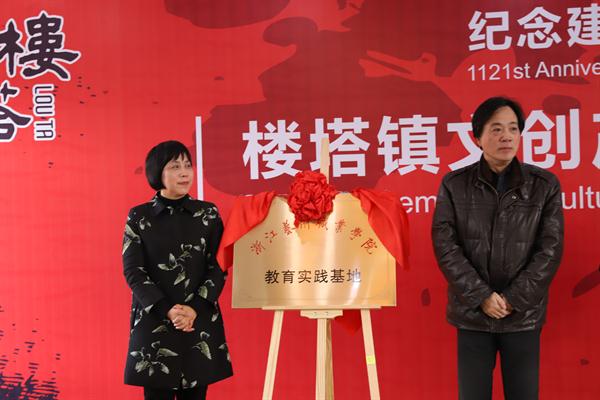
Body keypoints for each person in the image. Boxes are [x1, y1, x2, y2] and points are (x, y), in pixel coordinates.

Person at [431, 97, 563, 400]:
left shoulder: (544, 185)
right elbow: (445, 245)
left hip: (523, 314)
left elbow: (550, 248)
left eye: (513, 129)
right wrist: (481, 296)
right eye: (496, 129)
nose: (506, 136)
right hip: (472, 314)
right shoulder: (454, 184)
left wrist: (514, 299)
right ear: (477, 137)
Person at [122, 140, 232, 400]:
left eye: (187, 165)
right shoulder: (139, 216)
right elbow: (134, 271)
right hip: (154, 321)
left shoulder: (207, 214)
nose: (184, 173)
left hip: (198, 321)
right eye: (175, 167)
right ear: (157, 173)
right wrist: (168, 310)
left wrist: (193, 309)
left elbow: (218, 266)